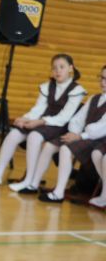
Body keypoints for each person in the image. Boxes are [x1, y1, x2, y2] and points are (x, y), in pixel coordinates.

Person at [0, 54, 85, 188]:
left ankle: (29, 179)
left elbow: (64, 117)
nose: (57, 70)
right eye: (54, 68)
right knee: (13, 134)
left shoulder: (77, 90)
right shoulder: (47, 86)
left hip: (60, 125)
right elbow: (38, 108)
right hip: (42, 122)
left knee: (34, 136)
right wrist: (26, 118)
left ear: (71, 68)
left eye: (62, 67)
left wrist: (39, 122)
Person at [37, 65, 106, 203]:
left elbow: (102, 128)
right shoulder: (94, 98)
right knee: (62, 145)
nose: (103, 82)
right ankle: (58, 191)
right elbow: (77, 119)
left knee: (67, 148)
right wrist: (75, 133)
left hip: (100, 139)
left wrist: (81, 136)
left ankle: (60, 192)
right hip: (86, 136)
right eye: (102, 78)